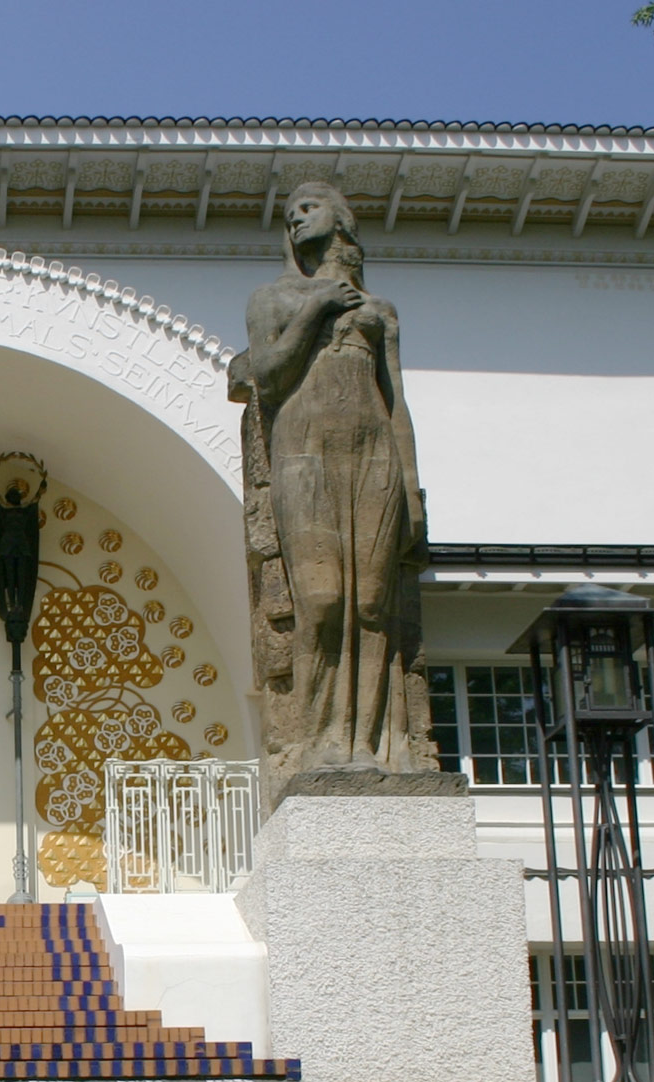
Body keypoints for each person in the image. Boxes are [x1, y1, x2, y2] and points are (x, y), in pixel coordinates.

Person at [242, 181, 428, 771]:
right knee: (320, 599)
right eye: (290, 215)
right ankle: (319, 739)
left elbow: (396, 403)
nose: (297, 221)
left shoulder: (378, 310)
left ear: (341, 219)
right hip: (304, 451)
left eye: (309, 209)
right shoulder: (273, 298)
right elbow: (268, 376)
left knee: (374, 603)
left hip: (372, 452)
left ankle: (372, 744)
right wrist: (317, 308)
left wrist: (414, 492)